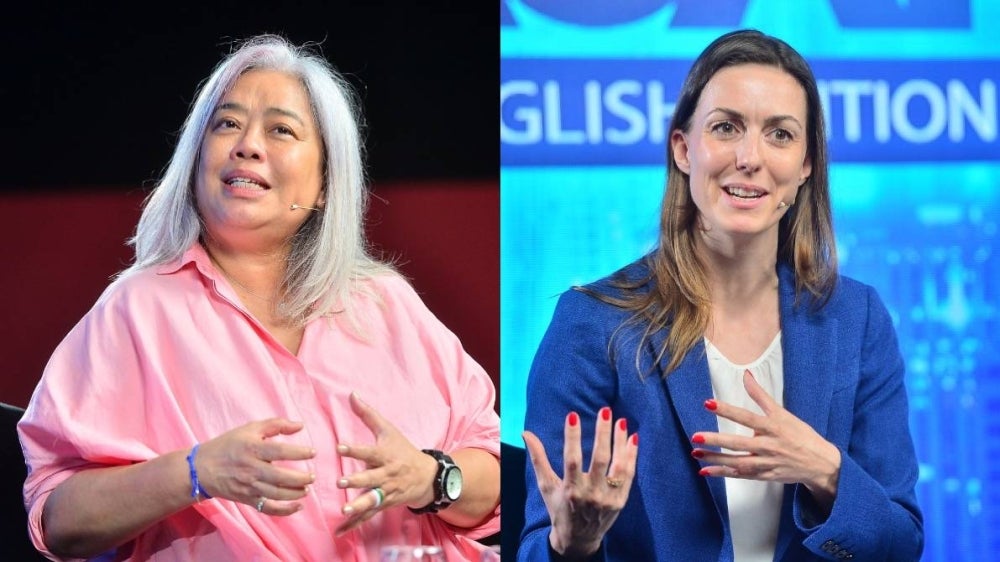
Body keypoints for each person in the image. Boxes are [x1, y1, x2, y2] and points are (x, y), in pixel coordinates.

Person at [17, 34, 500, 561]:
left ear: (323, 186)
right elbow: (57, 519)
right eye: (227, 124)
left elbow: (495, 476)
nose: (247, 144)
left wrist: (431, 476)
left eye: (281, 129)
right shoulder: (137, 309)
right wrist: (198, 472)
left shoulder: (387, 304)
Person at [519, 29, 923, 561]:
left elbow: (902, 543)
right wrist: (575, 541)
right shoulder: (593, 323)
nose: (750, 158)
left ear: (806, 165)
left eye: (780, 134)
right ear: (684, 149)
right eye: (726, 127)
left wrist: (824, 468)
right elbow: (535, 547)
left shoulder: (857, 318)